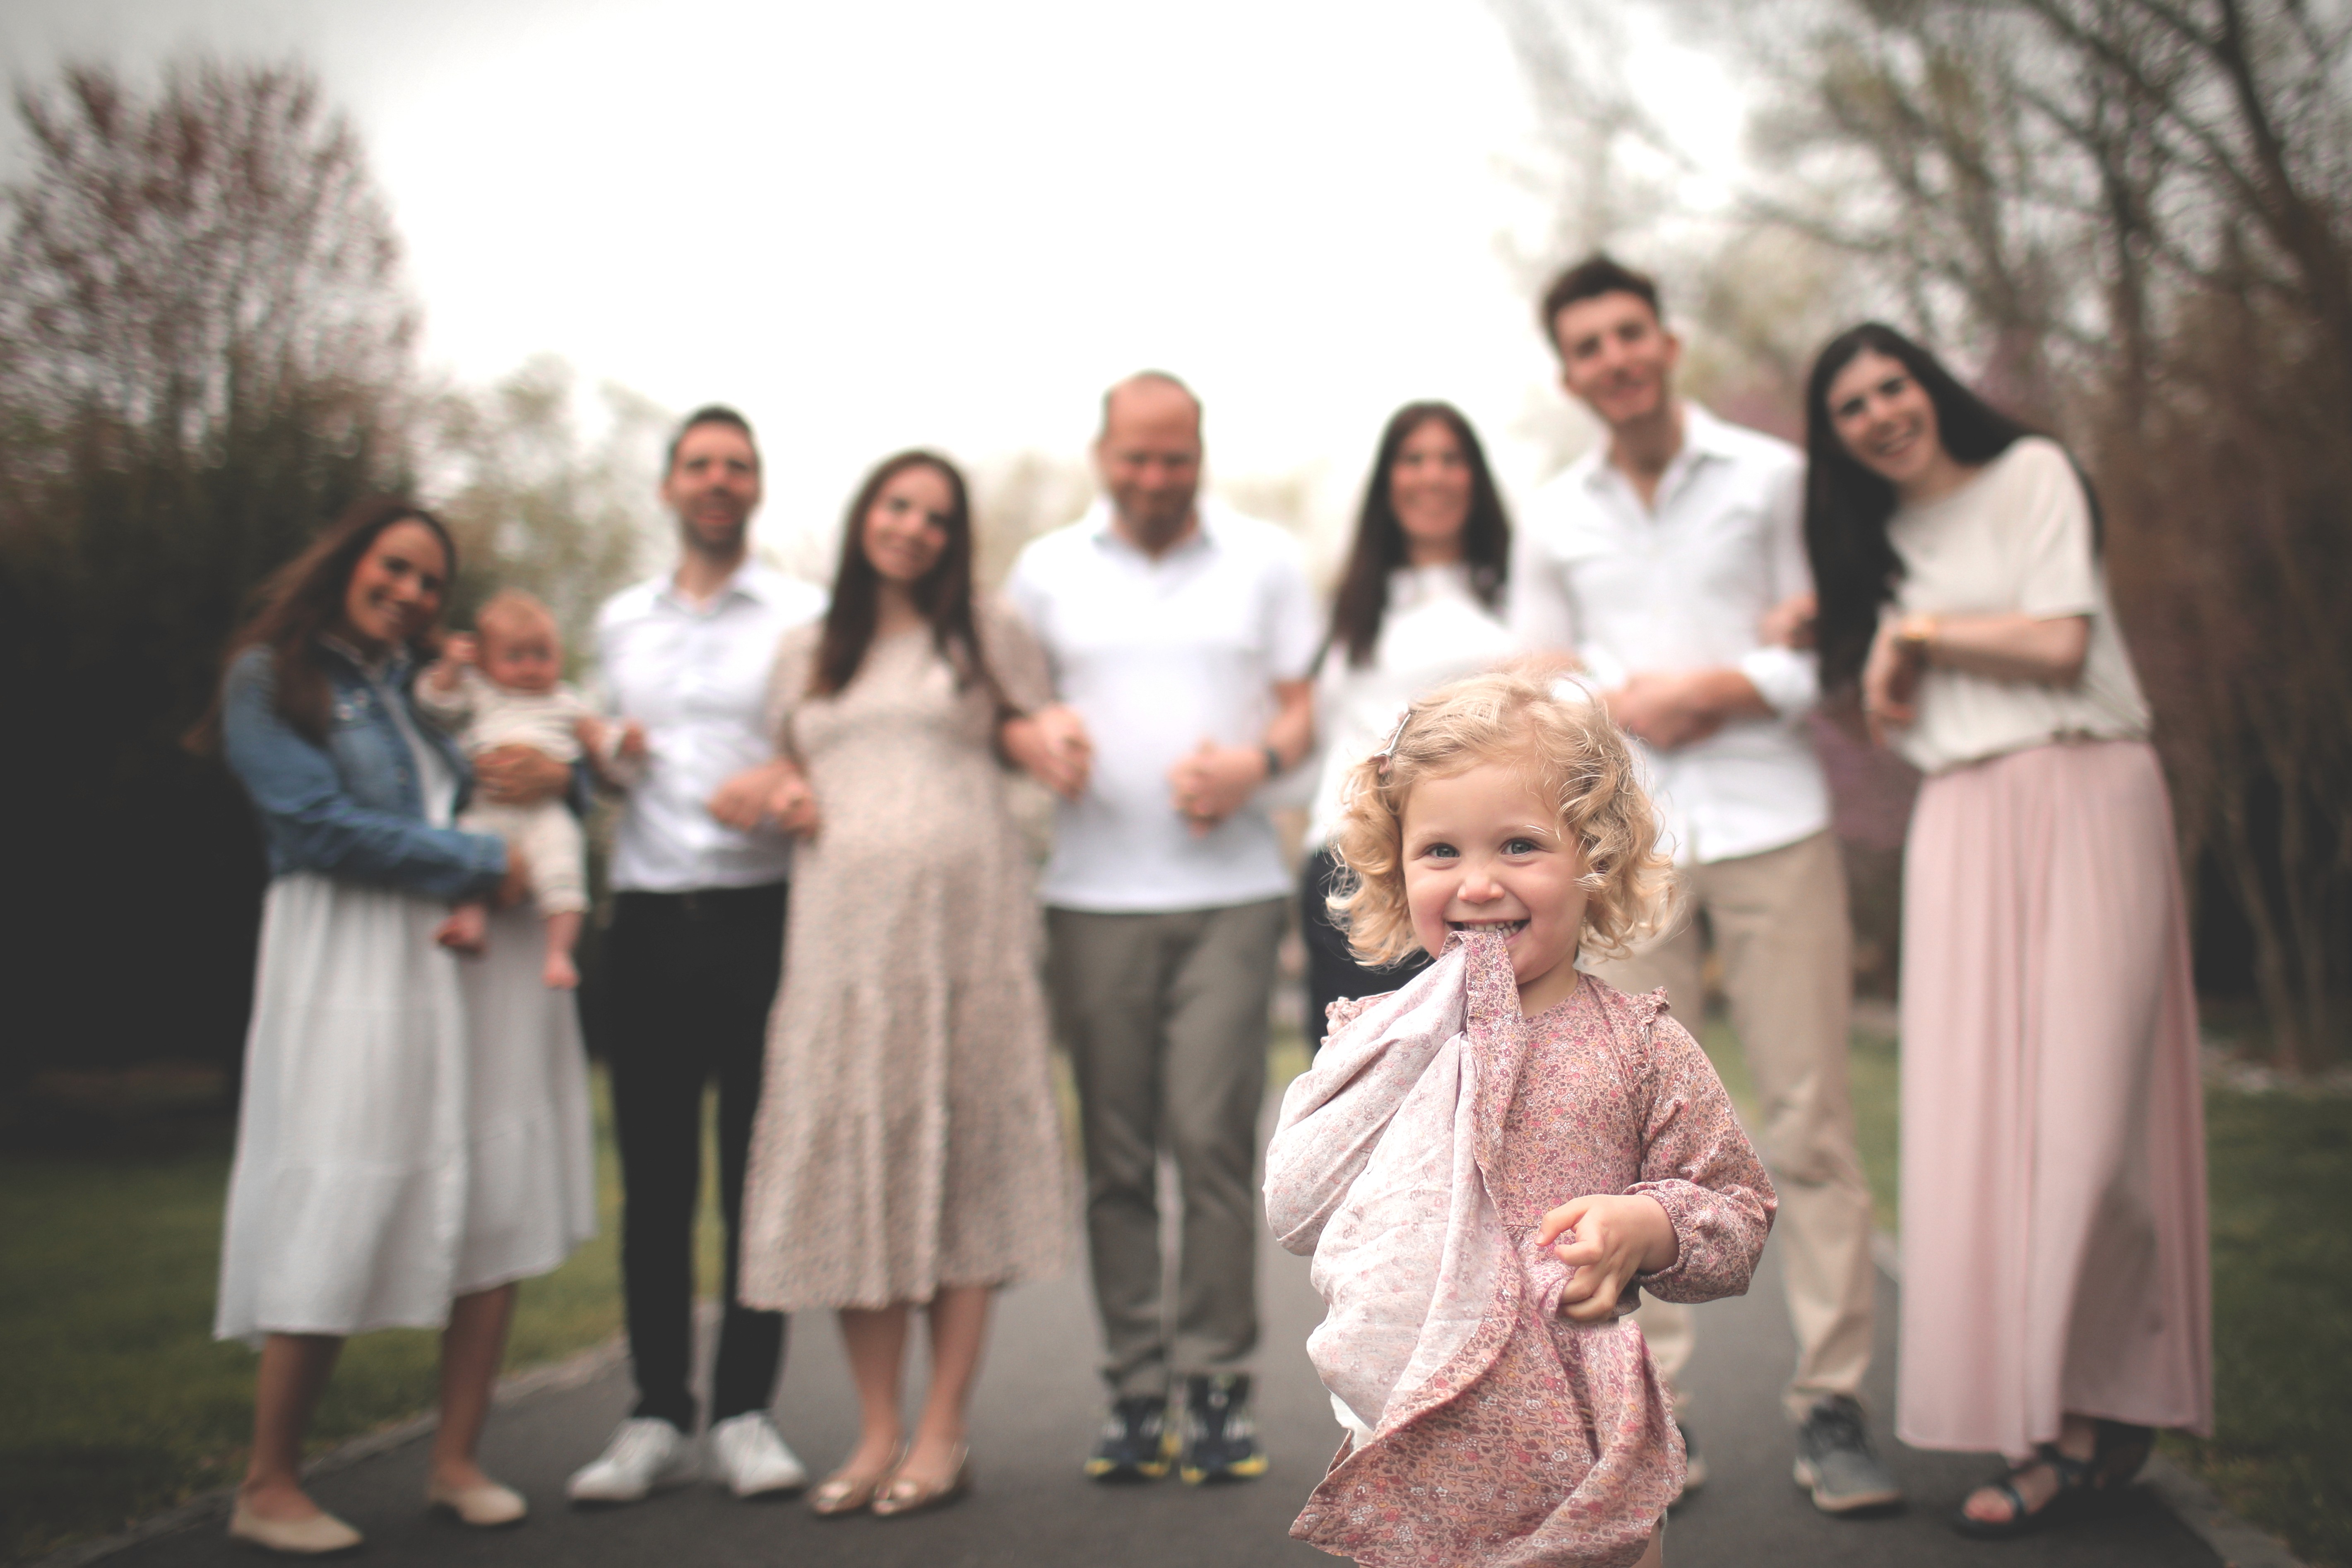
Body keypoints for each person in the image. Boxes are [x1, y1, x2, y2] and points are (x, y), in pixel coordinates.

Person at [1803, 322, 2211, 1537]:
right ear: (1833, 440)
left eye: (1893, 386)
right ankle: (2039, 1419)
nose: (1880, 413)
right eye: (1851, 407)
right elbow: (1883, 714)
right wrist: (1872, 647)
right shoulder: (1869, 552)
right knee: (1979, 1126)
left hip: (2086, 791)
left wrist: (1920, 635)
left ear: (1928, 387)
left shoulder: (2030, 474)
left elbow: (2057, 641)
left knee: (2089, 1120)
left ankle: (2096, 1408)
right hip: (1961, 821)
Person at [1509, 255, 1896, 1513]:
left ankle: (1832, 1401)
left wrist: (1720, 689)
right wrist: (1629, 701)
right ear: (1569, 374)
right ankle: (1649, 1409)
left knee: (1809, 1116)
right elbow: (1541, 677)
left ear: (1665, 343)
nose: (1614, 358)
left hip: (1774, 822)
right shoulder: (1550, 514)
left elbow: (1820, 640)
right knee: (1618, 1131)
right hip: (1631, 844)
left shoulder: (1771, 477)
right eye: (1588, 345)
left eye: (1630, 332)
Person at [1267, 671, 1774, 1568]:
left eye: (1518, 845)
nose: (1478, 883)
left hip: (1586, 1444)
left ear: (1595, 858)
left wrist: (1649, 1224)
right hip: (1414, 1433)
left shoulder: (1638, 1045)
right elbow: (1300, 1204)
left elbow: (1736, 1210)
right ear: (1396, 868)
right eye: (1440, 851)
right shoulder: (1376, 1041)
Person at [197, 497, 597, 1554]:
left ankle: (457, 1459)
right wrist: (480, 862)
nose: (412, 592)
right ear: (347, 561)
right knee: (340, 1177)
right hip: (353, 954)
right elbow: (311, 825)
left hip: (465, 958)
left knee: (490, 1192)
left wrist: (563, 782)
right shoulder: (270, 677)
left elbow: (532, 769)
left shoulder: (429, 694)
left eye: (430, 582)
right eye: (396, 568)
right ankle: (270, 1481)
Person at [733, 450, 1074, 1517]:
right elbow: (780, 764)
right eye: (897, 506)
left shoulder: (985, 631)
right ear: (864, 515)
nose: (913, 528)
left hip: (965, 938)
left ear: (953, 537)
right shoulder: (804, 651)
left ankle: (941, 1429)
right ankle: (877, 1427)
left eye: (935, 516)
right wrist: (782, 792)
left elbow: (1033, 729)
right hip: (843, 947)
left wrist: (1055, 742)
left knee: (960, 1161)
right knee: (858, 1165)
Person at [1004, 370, 1320, 1484]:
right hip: (1090, 897)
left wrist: (1254, 764)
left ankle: (1218, 1384)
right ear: (1102, 454)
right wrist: (1033, 734)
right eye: (1135, 456)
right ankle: (1136, 1391)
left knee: (1214, 1144)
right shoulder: (1044, 569)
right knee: (1117, 1157)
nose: (1153, 476)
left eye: (1173, 456)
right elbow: (1005, 702)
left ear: (1200, 454)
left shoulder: (1264, 561)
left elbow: (1304, 708)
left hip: (1229, 896)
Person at [565, 406, 826, 1505]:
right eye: (699, 464)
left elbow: (826, 751)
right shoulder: (619, 620)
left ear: (754, 487)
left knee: (758, 1174)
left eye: (736, 465)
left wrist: (786, 781)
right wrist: (600, 761)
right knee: (657, 1178)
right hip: (647, 916)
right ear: (670, 485)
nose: (718, 480)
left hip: (766, 915)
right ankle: (655, 1412)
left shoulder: (803, 615)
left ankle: (746, 1412)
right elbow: (602, 761)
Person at [1299, 401, 1517, 1045]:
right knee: (1358, 1072)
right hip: (1350, 861)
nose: (1432, 476)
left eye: (1450, 460)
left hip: (1474, 864)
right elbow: (1321, 726)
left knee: (1485, 1068)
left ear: (1475, 477)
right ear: (1387, 480)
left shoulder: (1513, 594)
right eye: (1413, 460)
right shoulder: (1350, 603)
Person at [418, 588, 645, 988]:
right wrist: (451, 668)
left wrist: (621, 741)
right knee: (469, 854)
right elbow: (437, 705)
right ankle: (470, 926)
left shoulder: (565, 700)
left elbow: (596, 735)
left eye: (542, 655)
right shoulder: (480, 691)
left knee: (563, 866)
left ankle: (559, 952)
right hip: (487, 806)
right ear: (484, 661)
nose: (530, 668)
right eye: (515, 657)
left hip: (545, 811)